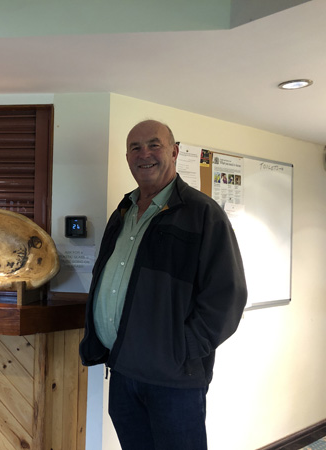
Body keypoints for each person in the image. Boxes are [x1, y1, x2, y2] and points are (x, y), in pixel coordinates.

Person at [79, 120, 247, 449]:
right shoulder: (123, 211)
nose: (145, 154)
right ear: (127, 157)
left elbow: (227, 298)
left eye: (154, 145)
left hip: (173, 381)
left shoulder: (203, 214)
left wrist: (178, 350)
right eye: (135, 147)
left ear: (174, 151)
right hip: (124, 370)